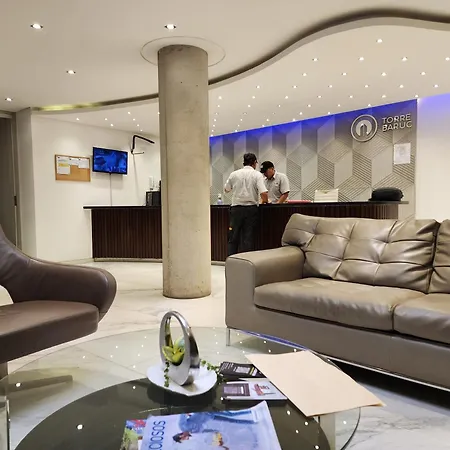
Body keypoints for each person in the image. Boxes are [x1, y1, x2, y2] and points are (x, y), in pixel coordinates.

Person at [224, 153, 268, 256]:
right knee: (248, 238)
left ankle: (231, 260)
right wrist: (265, 201)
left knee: (233, 237)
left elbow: (226, 189)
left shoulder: (234, 174)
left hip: (236, 209)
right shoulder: (257, 175)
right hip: (251, 210)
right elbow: (263, 193)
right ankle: (246, 262)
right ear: (254, 162)